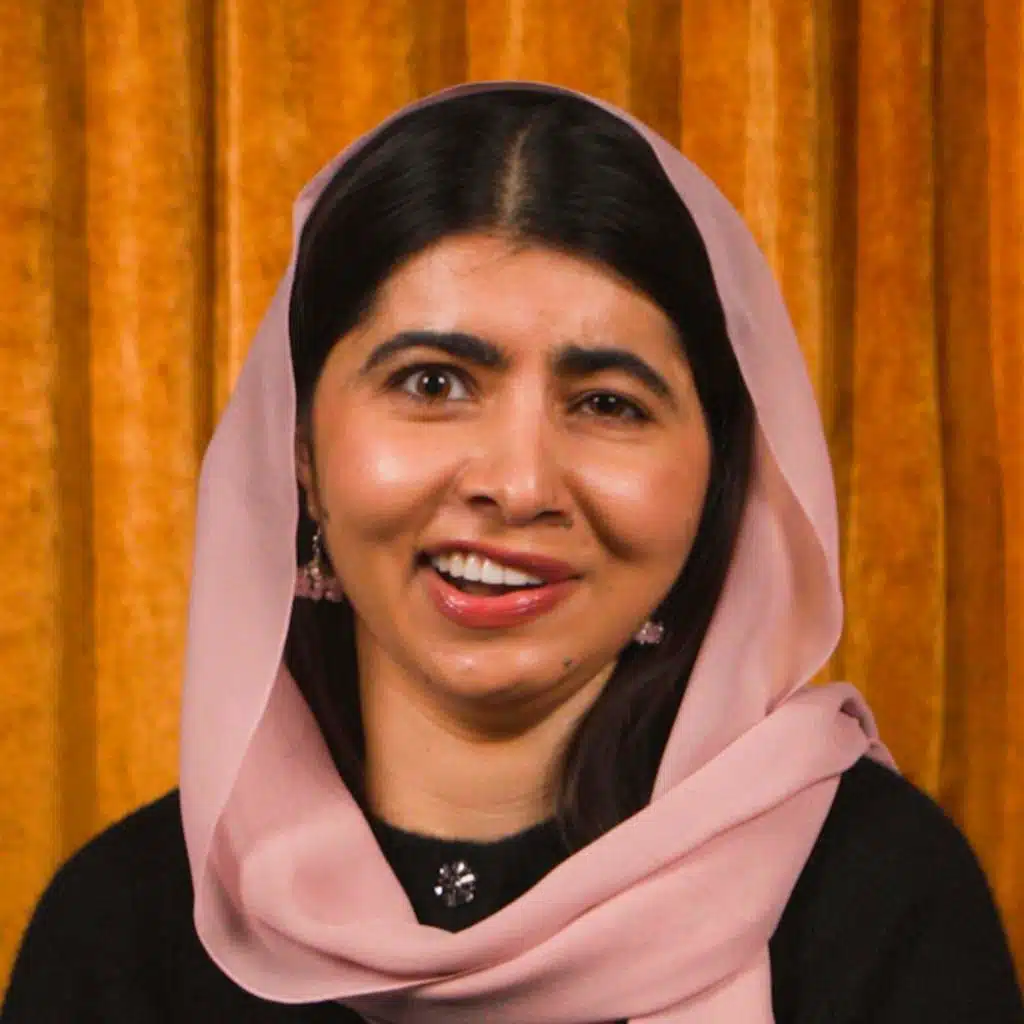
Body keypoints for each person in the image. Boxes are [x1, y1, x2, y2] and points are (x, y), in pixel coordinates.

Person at [3, 81, 1022, 1024]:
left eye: (608, 403)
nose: (519, 483)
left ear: (718, 479)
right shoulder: (127, 930)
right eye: (432, 383)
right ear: (300, 451)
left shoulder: (873, 898)